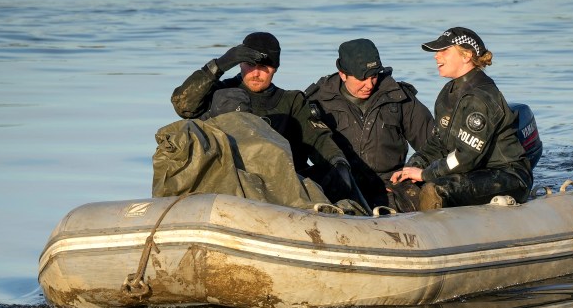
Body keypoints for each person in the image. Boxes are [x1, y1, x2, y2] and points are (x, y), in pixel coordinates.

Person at [170, 31, 370, 213]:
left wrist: (338, 161)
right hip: (232, 184)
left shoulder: (291, 102)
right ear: (240, 64)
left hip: (282, 188)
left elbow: (317, 139)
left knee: (333, 172)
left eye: (264, 67)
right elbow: (183, 105)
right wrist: (219, 65)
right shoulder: (218, 94)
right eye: (250, 65)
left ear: (275, 68)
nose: (256, 73)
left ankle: (365, 221)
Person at [389, 27, 534, 212]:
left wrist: (426, 174)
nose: (436, 56)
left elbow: (465, 157)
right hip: (473, 171)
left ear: (466, 56)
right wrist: (411, 168)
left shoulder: (481, 97)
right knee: (405, 184)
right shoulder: (447, 94)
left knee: (436, 189)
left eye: (444, 51)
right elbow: (437, 144)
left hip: (507, 175)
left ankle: (434, 234)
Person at [304, 38, 434, 209]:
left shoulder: (399, 97)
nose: (369, 85)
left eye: (373, 76)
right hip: (338, 182)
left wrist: (409, 173)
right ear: (343, 74)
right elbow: (298, 152)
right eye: (361, 78)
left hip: (390, 186)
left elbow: (433, 145)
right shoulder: (318, 100)